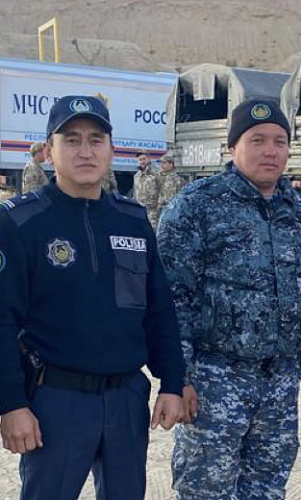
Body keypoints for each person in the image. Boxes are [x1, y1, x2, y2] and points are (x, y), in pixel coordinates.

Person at [0, 95, 184, 499]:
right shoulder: (20, 222)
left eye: (96, 140)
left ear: (111, 150)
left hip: (126, 398)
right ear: (49, 151)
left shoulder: (133, 221)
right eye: (72, 140)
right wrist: (10, 404)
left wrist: (172, 382)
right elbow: (2, 320)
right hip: (55, 400)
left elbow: (158, 310)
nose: (86, 151)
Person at [158, 98, 301, 500]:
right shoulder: (196, 206)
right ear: (232, 147)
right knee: (206, 490)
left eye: (279, 141)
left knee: (267, 489)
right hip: (214, 379)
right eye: (257, 140)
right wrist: (178, 377)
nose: (270, 151)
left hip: (279, 382)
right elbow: (173, 301)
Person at [133, 150, 161, 228]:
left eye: (144, 159)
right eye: (140, 160)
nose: (142, 161)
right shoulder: (136, 176)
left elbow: (162, 192)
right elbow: (135, 194)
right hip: (139, 213)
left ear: (149, 159)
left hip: (153, 214)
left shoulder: (157, 173)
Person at [157, 153, 187, 221]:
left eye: (164, 163)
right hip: (158, 212)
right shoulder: (157, 177)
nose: (161, 165)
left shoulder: (179, 180)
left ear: (171, 164)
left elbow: (182, 198)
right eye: (161, 163)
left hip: (171, 213)